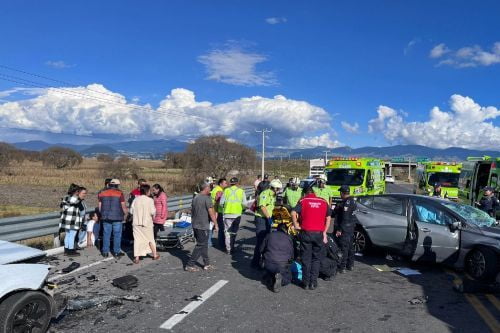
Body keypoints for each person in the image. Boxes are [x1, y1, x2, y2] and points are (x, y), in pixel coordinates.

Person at [292, 185, 331, 290]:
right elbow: (328, 217)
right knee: (316, 259)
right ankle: (313, 283)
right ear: (314, 192)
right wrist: (325, 231)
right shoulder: (323, 201)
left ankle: (305, 283)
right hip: (318, 233)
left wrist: (296, 225)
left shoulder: (304, 201)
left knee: (306, 258)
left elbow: (293, 212)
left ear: (304, 193)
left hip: (306, 233)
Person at [185, 182, 218, 272]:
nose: (210, 189)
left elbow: (192, 210)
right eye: (209, 187)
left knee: (203, 245)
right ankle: (190, 265)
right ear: (206, 188)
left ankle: (206, 264)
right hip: (202, 225)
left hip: (195, 224)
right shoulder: (207, 199)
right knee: (200, 245)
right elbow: (211, 213)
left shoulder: (196, 197)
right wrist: (216, 224)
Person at [252, 179, 282, 268]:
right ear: (275, 188)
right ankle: (255, 263)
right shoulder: (265, 194)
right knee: (260, 241)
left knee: (267, 241)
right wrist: (269, 218)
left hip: (267, 218)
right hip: (261, 219)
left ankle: (264, 261)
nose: (279, 191)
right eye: (279, 189)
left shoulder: (273, 195)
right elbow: (262, 206)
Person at [98, 179, 128, 258]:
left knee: (106, 234)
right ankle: (117, 252)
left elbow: (100, 207)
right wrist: (126, 214)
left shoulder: (102, 193)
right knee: (117, 235)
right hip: (117, 217)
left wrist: (102, 214)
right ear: (117, 185)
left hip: (105, 217)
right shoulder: (119, 193)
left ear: (109, 184)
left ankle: (105, 252)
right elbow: (123, 206)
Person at [260, 223, 294, 293]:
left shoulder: (269, 235)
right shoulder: (289, 238)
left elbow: (261, 250)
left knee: (269, 272)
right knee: (289, 278)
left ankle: (271, 278)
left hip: (268, 263)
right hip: (282, 265)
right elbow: (292, 255)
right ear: (286, 230)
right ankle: (280, 280)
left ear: (277, 229)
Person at [131, 184, 159, 264]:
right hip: (147, 223)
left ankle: (136, 258)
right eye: (149, 190)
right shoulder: (150, 200)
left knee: (137, 240)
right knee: (150, 239)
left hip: (136, 223)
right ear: (147, 191)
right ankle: (154, 255)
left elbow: (131, 211)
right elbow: (153, 212)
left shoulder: (136, 200)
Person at [333, 185, 357, 273]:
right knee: (350, 247)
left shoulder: (346, 203)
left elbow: (345, 218)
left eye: (340, 192)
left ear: (342, 193)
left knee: (344, 248)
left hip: (345, 229)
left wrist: (340, 229)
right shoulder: (353, 200)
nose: (340, 194)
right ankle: (350, 265)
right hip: (351, 228)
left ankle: (342, 267)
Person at [220, 177, 247, 254]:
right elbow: (244, 204)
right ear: (237, 183)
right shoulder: (241, 191)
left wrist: (224, 209)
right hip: (237, 215)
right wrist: (242, 209)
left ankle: (228, 249)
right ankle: (232, 247)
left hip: (227, 214)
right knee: (234, 232)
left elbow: (221, 203)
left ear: (230, 183)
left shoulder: (226, 191)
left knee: (227, 232)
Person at [59, 184, 84, 256]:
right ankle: (71, 251)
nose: (78, 193)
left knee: (68, 235)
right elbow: (77, 200)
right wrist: (79, 196)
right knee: (72, 235)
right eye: (78, 191)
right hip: (72, 220)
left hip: (66, 220)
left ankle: (66, 250)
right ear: (75, 191)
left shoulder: (65, 197)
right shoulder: (74, 198)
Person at [211, 178, 228, 248]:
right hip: (217, 210)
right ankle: (221, 244)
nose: (226, 184)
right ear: (220, 184)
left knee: (211, 226)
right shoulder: (219, 190)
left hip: (212, 209)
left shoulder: (215, 189)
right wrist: (216, 213)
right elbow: (218, 202)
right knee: (221, 228)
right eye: (225, 183)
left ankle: (209, 242)